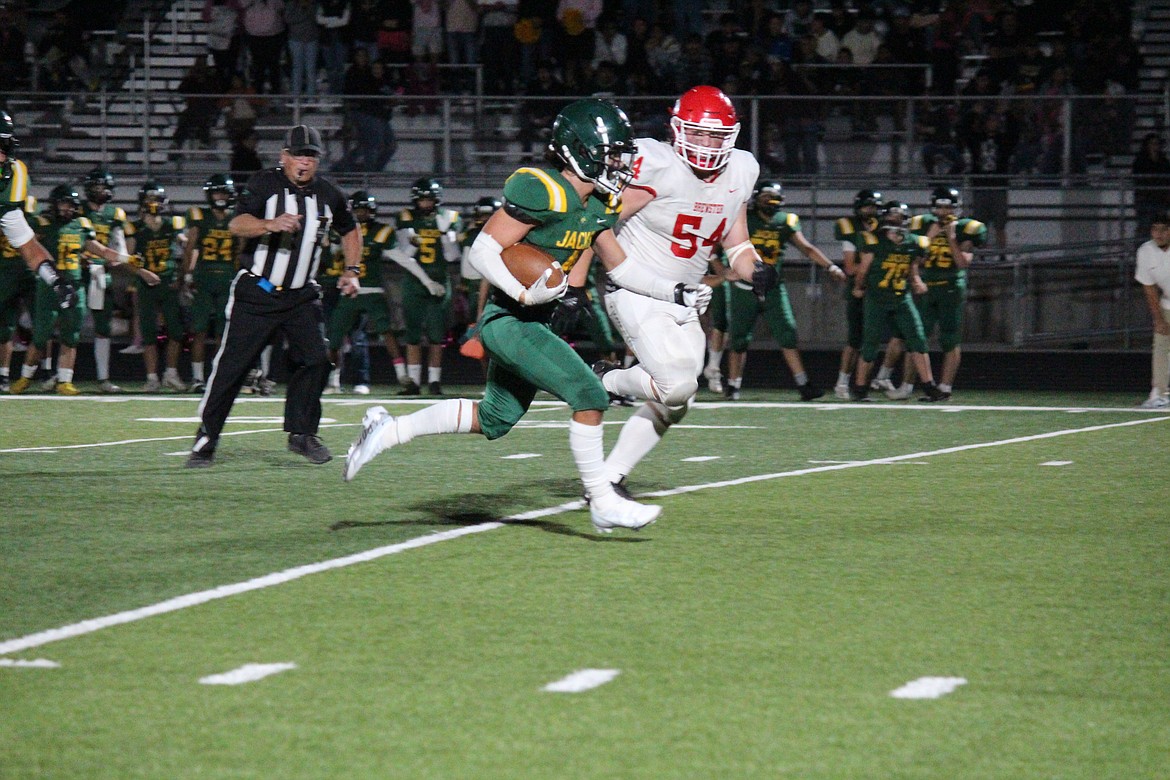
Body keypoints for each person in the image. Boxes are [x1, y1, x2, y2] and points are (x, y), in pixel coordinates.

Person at [344, 98, 702, 533]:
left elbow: (622, 267)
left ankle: (386, 430)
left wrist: (675, 291)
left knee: (494, 419)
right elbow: (482, 251)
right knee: (589, 394)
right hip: (510, 320)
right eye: (612, 154)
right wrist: (522, 292)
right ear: (581, 150)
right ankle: (602, 499)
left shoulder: (600, 203)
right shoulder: (543, 188)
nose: (620, 163)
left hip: (534, 321)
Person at [578, 86, 780, 491]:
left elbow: (736, 243)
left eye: (716, 136)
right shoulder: (654, 163)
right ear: (676, 129)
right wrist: (577, 281)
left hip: (686, 296)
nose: (707, 145)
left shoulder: (741, 169)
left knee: (679, 401)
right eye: (698, 134)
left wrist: (755, 269)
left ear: (732, 136)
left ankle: (608, 478)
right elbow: (594, 221)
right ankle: (606, 380)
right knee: (676, 385)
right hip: (636, 288)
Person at [187, 124, 362, 467]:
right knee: (233, 368)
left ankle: (302, 434)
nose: (305, 162)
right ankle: (206, 437)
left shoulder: (328, 194)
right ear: (284, 156)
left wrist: (352, 270)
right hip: (258, 291)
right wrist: (270, 224)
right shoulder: (264, 184)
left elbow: (350, 228)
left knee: (315, 359)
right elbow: (237, 224)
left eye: (311, 156)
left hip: (301, 296)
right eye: (299, 155)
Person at [9, 185, 159, 395]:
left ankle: (65, 381)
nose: (67, 209)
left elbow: (101, 250)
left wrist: (127, 259)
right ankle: (25, 377)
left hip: (74, 285)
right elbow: (25, 246)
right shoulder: (43, 224)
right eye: (63, 204)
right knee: (41, 336)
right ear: (54, 204)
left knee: (71, 336)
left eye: (71, 205)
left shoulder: (81, 224)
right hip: (49, 285)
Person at [723, 180, 843, 401]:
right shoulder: (744, 219)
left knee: (788, 333)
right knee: (739, 339)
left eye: (773, 197)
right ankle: (733, 386)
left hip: (772, 287)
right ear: (757, 198)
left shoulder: (786, 220)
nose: (770, 201)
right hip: (744, 286)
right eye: (766, 197)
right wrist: (722, 271)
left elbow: (806, 247)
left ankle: (803, 384)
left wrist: (830, 265)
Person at [882, 186, 987, 401]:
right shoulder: (921, 224)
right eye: (940, 207)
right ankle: (907, 385)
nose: (944, 212)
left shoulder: (968, 228)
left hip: (950, 288)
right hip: (927, 287)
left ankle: (945, 387)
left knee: (950, 339)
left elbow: (961, 263)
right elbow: (916, 260)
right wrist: (928, 239)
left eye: (949, 207)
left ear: (957, 208)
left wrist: (950, 238)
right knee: (916, 338)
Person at [847, 200, 948, 403]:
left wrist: (916, 279)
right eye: (892, 218)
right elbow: (863, 269)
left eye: (899, 218)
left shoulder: (914, 242)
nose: (896, 222)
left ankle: (929, 386)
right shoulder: (873, 240)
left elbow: (911, 265)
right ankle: (859, 387)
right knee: (870, 344)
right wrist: (858, 287)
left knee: (918, 339)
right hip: (877, 298)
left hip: (902, 298)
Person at [322, 190, 401, 394]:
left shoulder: (377, 232)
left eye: (364, 210)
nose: (361, 214)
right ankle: (333, 380)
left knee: (359, 337)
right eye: (358, 210)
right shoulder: (338, 229)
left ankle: (389, 377)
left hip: (362, 288)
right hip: (337, 287)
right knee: (333, 337)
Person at [389, 177, 462, 395]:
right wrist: (412, 243)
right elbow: (405, 254)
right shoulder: (406, 216)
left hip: (440, 278)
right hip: (414, 280)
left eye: (429, 199)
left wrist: (446, 237)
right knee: (412, 332)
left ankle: (434, 381)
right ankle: (413, 382)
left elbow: (452, 256)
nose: (425, 204)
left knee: (436, 335)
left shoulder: (450, 217)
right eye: (422, 200)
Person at [126, 182, 189, 392]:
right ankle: (152, 378)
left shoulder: (173, 225)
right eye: (150, 199)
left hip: (168, 283)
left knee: (177, 332)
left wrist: (183, 274)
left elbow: (187, 245)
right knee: (149, 334)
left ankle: (170, 374)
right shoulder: (135, 228)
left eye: (157, 199)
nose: (154, 204)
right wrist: (143, 273)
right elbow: (129, 259)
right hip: (146, 285)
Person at [182, 174, 241, 393]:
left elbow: (241, 250)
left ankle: (218, 377)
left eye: (223, 193)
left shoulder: (236, 218)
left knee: (222, 333)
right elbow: (191, 247)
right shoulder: (199, 216)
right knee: (199, 330)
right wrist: (187, 275)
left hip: (227, 277)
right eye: (217, 192)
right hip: (205, 277)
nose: (220, 197)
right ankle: (197, 378)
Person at [79, 168, 131, 393]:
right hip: (78, 271)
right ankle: (57, 374)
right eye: (97, 187)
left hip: (101, 273)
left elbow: (119, 245)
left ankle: (103, 378)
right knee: (67, 322)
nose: (101, 191)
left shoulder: (114, 214)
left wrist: (114, 259)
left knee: (103, 326)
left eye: (104, 187)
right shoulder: (78, 210)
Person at [832, 188, 882, 399]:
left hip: (882, 291)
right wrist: (872, 267)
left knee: (877, 338)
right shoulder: (849, 227)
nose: (870, 211)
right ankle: (843, 382)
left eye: (873, 207)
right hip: (859, 290)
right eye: (866, 206)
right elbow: (850, 267)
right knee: (855, 338)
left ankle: (879, 379)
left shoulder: (884, 227)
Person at [1136, 210, 1170, 409]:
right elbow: (1148, 287)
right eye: (1155, 229)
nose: (1159, 234)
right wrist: (1158, 319)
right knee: (1161, 345)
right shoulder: (1146, 251)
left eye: (1164, 229)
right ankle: (1158, 393)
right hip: (1167, 302)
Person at [1132, 133, 1170, 236]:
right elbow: (1138, 178)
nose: (1155, 146)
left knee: (1161, 231)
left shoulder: (1163, 161)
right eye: (1152, 144)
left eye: (1157, 144)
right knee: (1145, 229)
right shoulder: (1140, 161)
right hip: (1145, 200)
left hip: (1160, 200)